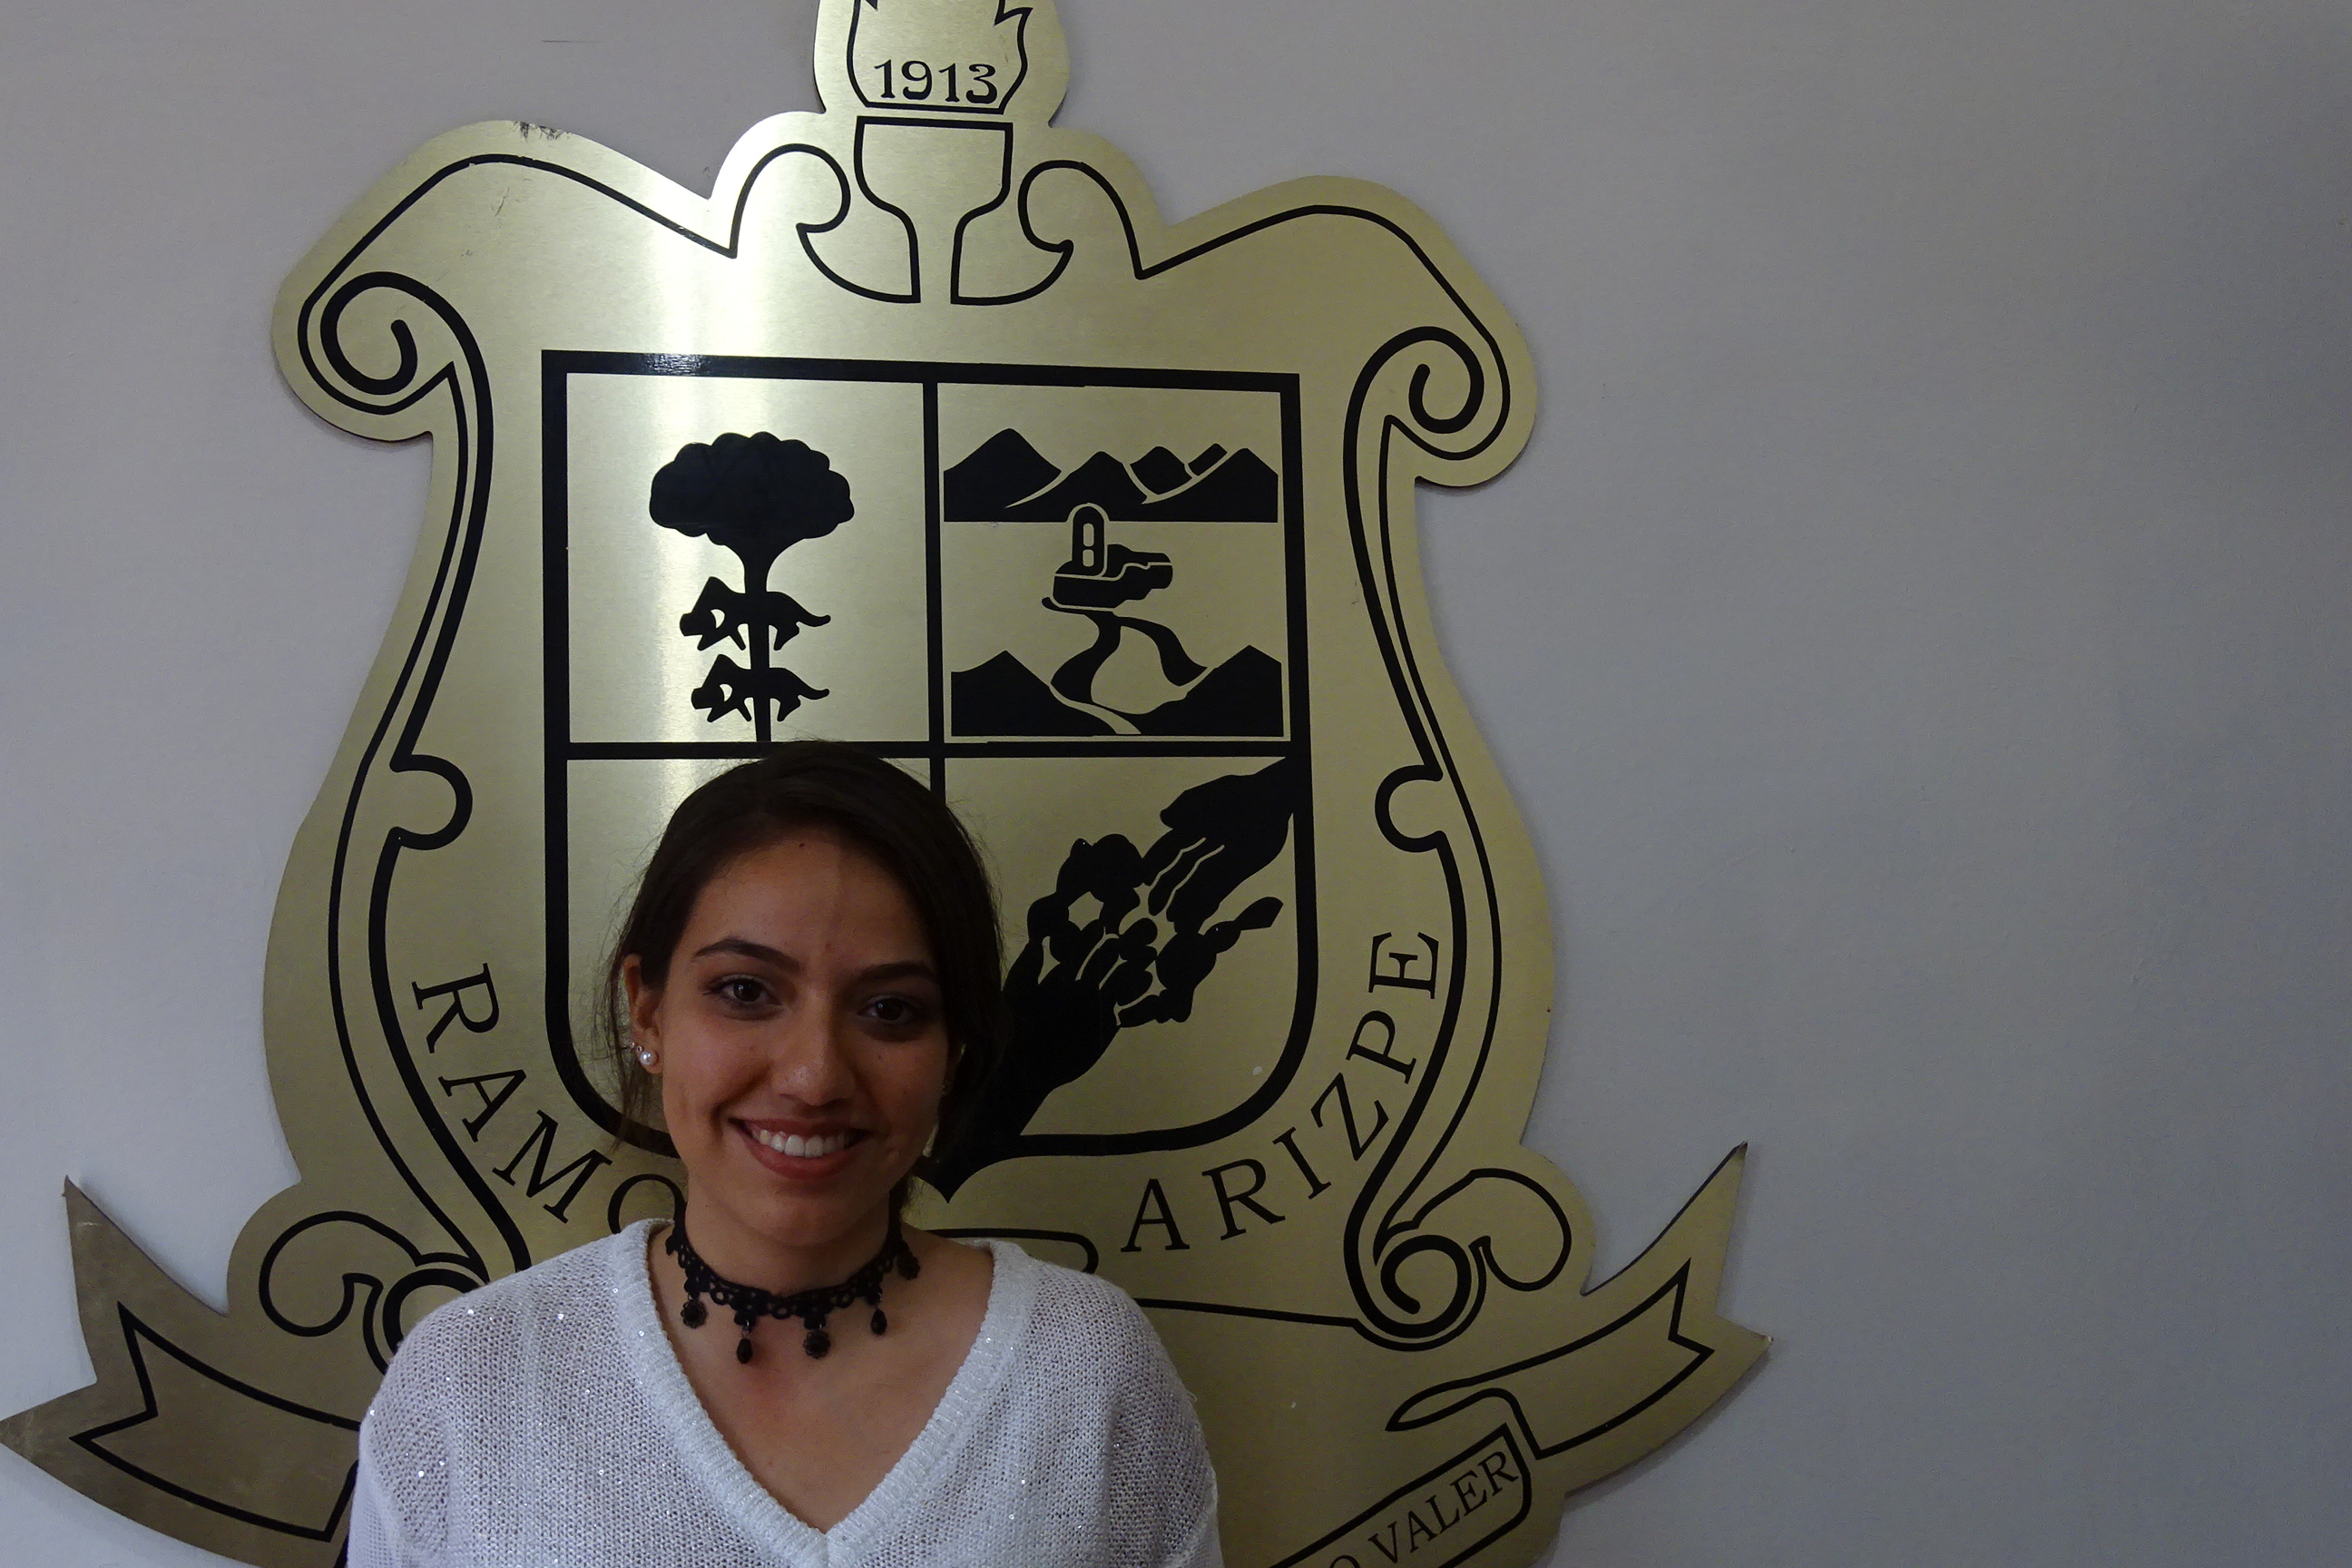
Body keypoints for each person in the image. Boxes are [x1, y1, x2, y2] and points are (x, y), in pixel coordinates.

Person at [348, 743, 1221, 1566]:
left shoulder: (1086, 1370)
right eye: (745, 991)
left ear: (953, 1047)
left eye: (890, 1010)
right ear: (647, 1012)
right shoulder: (471, 1381)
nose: (813, 1078)